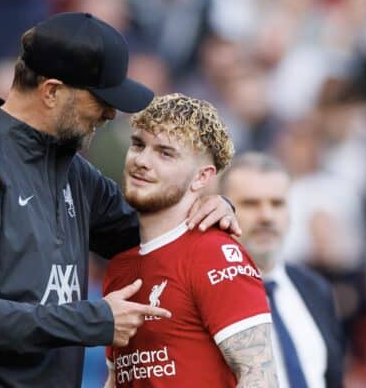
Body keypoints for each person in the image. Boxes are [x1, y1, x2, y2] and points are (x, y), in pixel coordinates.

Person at [0, 12, 239, 387]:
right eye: (100, 99)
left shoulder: (69, 168)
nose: (110, 114)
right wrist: (94, 320)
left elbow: (145, 231)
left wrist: (209, 210)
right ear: (51, 92)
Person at [103, 94, 276, 387]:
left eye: (165, 153)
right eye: (138, 144)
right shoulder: (120, 266)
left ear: (201, 178)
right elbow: (117, 379)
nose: (142, 161)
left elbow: (260, 376)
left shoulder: (214, 252)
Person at [220, 152, 345, 388]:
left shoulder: (316, 289)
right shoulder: (209, 293)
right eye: (250, 203)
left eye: (277, 203)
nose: (266, 216)